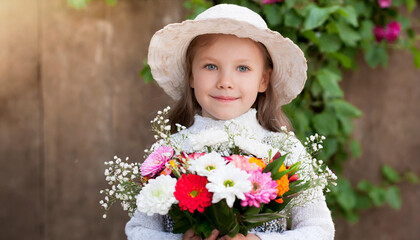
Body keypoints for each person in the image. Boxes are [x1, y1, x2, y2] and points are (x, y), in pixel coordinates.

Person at [126, 4, 334, 240]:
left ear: (263, 80)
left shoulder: (284, 150)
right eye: (211, 66)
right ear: (192, 75)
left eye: (243, 68)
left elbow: (320, 230)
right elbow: (139, 231)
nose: (225, 81)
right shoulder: (168, 153)